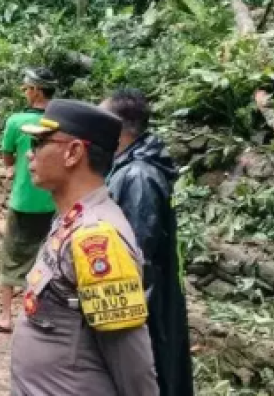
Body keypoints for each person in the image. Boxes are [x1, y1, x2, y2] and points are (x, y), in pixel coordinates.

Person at [12, 99, 157, 396]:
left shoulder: (98, 239)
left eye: (39, 142)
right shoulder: (72, 218)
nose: (30, 152)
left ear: (73, 152)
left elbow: (133, 363)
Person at [102, 89, 193, 396]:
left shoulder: (138, 176)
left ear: (117, 127)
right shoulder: (126, 166)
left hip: (144, 307)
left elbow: (137, 255)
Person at [0, 68, 57, 333]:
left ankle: (5, 315)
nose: (26, 93)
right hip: (54, 202)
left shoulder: (17, 122)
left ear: (37, 91)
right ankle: (37, 315)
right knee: (47, 258)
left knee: (12, 257)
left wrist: (11, 169)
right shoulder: (62, 121)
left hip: (25, 200)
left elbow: (8, 157)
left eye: (27, 88)